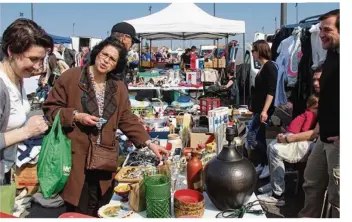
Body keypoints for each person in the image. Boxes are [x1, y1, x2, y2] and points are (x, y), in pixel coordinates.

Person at [42, 37, 168, 217]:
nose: (106, 61)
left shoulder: (118, 87)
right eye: (104, 55)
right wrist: (76, 116)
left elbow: (127, 119)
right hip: (76, 157)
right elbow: (50, 109)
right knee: (79, 207)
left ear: (117, 64)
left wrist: (149, 143)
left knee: (103, 207)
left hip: (104, 158)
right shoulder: (71, 77)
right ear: (97, 53)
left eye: (112, 59)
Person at [0, 18, 51, 213]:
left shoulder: (18, 79)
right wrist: (27, 131)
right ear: (11, 51)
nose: (38, 66)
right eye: (33, 59)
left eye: (41, 59)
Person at [299, 9, 340, 218]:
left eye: (327, 29)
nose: (321, 34)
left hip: (339, 143)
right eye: (320, 30)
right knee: (311, 183)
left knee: (338, 198)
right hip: (324, 137)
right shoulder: (332, 54)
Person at [257, 94, 319, 206]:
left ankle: (278, 195)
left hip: (308, 141)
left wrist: (288, 138)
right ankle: (274, 183)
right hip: (298, 137)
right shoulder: (311, 112)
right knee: (271, 145)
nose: (315, 83)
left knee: (275, 150)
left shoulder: (312, 114)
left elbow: (312, 132)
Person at [247, 40, 278, 180]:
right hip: (258, 109)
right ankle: (263, 162)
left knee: (252, 138)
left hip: (263, 110)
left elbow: (271, 91)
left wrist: (265, 111)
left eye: (253, 51)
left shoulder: (270, 67)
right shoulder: (263, 67)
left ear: (259, 51)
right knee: (259, 138)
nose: (252, 54)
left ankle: (267, 165)